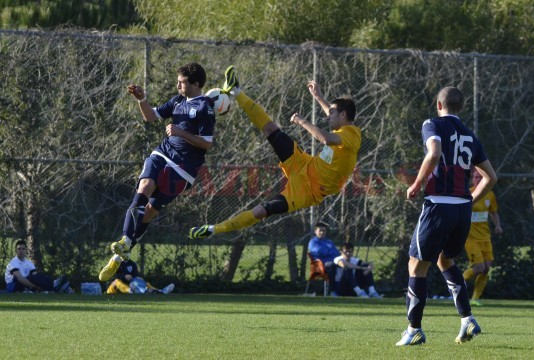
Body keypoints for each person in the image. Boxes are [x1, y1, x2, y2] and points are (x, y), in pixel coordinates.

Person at [188, 66, 361, 239]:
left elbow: (326, 139)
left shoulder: (352, 135)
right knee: (271, 129)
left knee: (262, 210)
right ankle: (236, 91)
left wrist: (302, 121)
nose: (327, 116)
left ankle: (213, 229)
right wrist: (319, 98)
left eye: (331, 113)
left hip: (307, 190)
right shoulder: (343, 128)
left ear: (343, 115)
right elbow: (333, 118)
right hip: (305, 163)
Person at [396, 86, 497, 346]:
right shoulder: (470, 135)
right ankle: (467, 319)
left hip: (439, 205)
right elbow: (491, 177)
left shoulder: (433, 124)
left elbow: (434, 153)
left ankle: (414, 329)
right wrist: (469, 200)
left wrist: (417, 184)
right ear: (460, 107)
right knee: (445, 260)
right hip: (461, 209)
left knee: (416, 266)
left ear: (438, 105)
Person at [99, 62, 216, 282]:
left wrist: (180, 132)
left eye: (182, 82)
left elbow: (207, 143)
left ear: (196, 84)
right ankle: (125, 240)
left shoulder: (205, 108)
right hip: (162, 155)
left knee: (150, 211)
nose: (178, 85)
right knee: (144, 187)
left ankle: (119, 257)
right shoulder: (177, 101)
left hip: (183, 169)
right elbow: (151, 116)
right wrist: (141, 100)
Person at [463, 167, 503, 306]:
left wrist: (498, 226)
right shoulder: (467, 194)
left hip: (485, 237)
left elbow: (493, 212)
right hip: (470, 237)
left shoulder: (489, 194)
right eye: (476, 177)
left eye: (481, 177)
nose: (478, 180)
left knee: (486, 269)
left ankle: (475, 299)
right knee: (479, 267)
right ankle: (456, 283)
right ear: (472, 179)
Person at [5, 240, 70, 293]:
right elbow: (20, 279)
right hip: (14, 285)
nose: (21, 251)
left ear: (26, 250)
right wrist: (35, 286)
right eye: (19, 249)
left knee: (40, 275)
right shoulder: (12, 263)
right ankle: (55, 286)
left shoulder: (29, 263)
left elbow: (36, 276)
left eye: (23, 249)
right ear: (16, 251)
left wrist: (39, 283)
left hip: (26, 283)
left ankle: (55, 284)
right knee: (33, 278)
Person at [106, 258, 175, 295]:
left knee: (143, 282)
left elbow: (135, 276)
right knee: (117, 281)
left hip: (129, 285)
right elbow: (112, 277)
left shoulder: (132, 263)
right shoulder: (115, 262)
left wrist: (139, 279)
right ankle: (132, 291)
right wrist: (123, 276)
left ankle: (160, 291)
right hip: (114, 289)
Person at [307, 222, 340, 295]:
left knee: (347, 266)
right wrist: (330, 251)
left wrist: (327, 251)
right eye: (320, 231)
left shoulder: (329, 242)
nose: (322, 232)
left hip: (334, 262)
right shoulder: (313, 242)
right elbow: (320, 252)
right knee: (332, 266)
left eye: (324, 231)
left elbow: (337, 253)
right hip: (320, 266)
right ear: (315, 232)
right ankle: (333, 291)